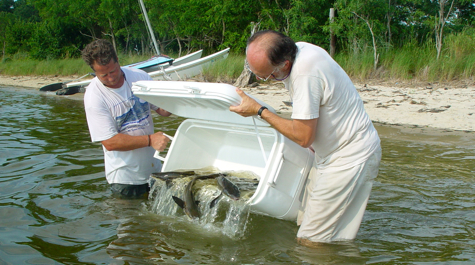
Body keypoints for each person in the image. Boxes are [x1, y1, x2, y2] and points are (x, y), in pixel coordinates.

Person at [229, 30, 382, 246]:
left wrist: (259, 110)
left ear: (285, 64)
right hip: (328, 153)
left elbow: (303, 138)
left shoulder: (305, 72)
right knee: (305, 224)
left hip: (350, 156)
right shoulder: (297, 49)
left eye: (266, 76)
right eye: (253, 72)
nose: (264, 80)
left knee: (310, 241)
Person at [82, 39, 171, 198]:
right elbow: (110, 142)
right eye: (104, 75)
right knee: (131, 222)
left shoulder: (139, 76)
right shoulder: (93, 97)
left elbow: (163, 110)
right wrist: (150, 140)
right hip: (124, 179)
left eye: (113, 71)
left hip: (155, 171)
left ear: (117, 61)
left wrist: (179, 100)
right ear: (94, 72)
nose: (110, 78)